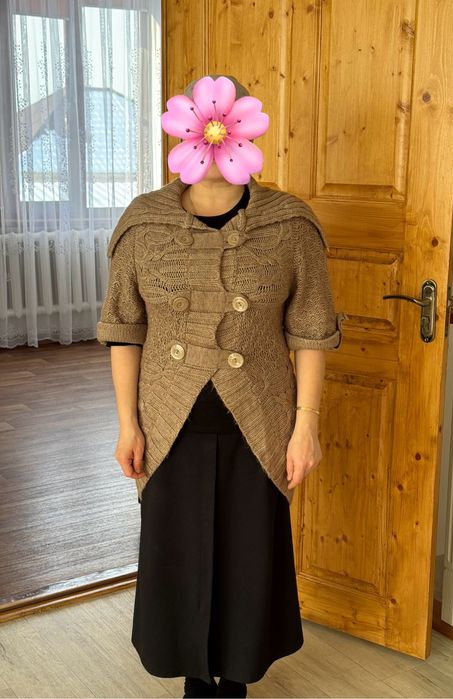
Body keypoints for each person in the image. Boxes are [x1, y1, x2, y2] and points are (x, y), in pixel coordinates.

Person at [97, 75, 344, 698]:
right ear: (182, 131)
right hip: (169, 420)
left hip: (258, 421)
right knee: (177, 556)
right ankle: (194, 678)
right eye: (199, 127)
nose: (212, 141)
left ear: (246, 134)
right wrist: (128, 424)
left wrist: (306, 426)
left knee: (248, 559)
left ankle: (235, 680)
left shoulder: (289, 224)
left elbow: (311, 331)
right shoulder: (143, 223)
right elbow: (124, 330)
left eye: (227, 128)